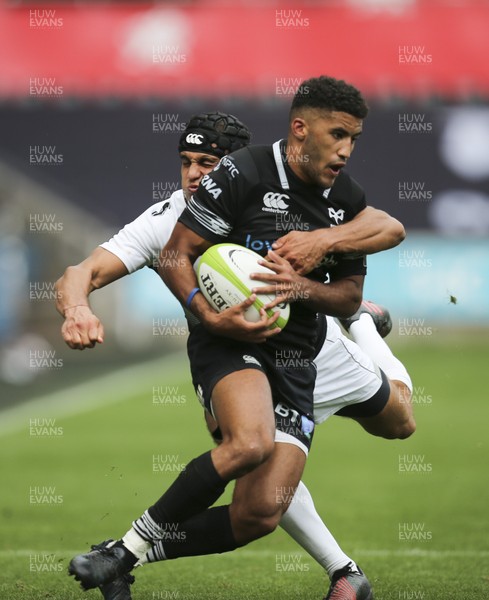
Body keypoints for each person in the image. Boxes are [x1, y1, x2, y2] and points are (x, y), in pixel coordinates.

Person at [59, 97, 412, 599]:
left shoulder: (276, 193)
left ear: (234, 168)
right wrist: (77, 308)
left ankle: (365, 327)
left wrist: (326, 245)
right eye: (186, 162)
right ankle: (343, 572)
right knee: (256, 488)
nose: (194, 175)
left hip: (317, 350)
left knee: (400, 421)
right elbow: (82, 272)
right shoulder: (169, 219)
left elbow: (385, 225)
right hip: (232, 349)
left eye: (208, 164)